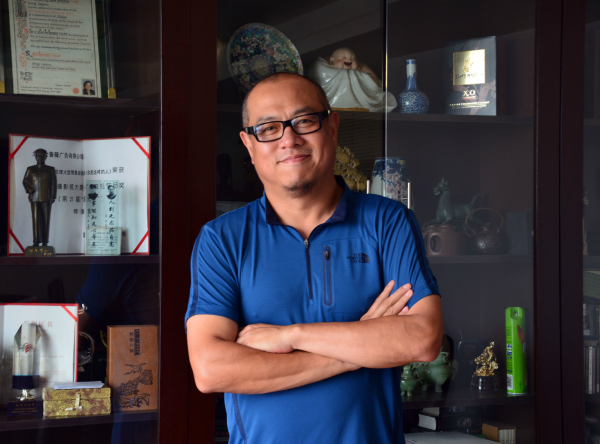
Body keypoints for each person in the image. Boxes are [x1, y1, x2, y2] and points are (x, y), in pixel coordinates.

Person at [185, 73, 443, 444]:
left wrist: (290, 336)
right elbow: (211, 370)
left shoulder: (387, 221)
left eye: (304, 121)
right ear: (249, 144)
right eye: (268, 128)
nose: (289, 139)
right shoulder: (222, 239)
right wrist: (358, 348)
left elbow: (421, 340)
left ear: (332, 127)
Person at [22, 148, 56, 246]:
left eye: (41, 156)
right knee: (36, 219)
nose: (39, 158)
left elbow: (53, 184)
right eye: (37, 156)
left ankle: (45, 241)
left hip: (47, 198)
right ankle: (36, 241)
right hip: (34, 197)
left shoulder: (51, 169)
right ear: (35, 157)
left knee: (46, 220)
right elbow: (25, 181)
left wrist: (53, 196)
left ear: (46, 157)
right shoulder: (30, 169)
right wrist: (28, 189)